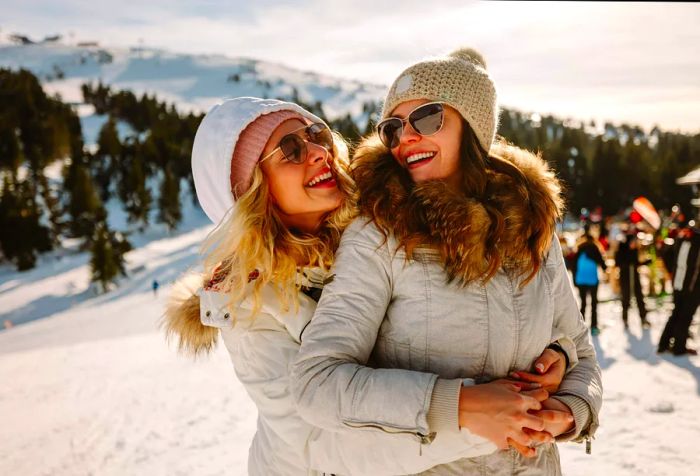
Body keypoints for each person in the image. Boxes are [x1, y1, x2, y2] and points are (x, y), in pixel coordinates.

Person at [162, 97, 572, 475]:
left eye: (316, 135)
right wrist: (472, 416)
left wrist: (552, 351)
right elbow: (322, 442)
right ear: (251, 191)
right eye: (290, 149)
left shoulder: (383, 222)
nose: (319, 151)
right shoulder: (250, 305)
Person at [292, 48, 602, 475]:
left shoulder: (531, 226)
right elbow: (317, 384)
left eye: (427, 118)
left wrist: (570, 410)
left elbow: (580, 353)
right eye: (393, 128)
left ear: (473, 125)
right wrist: (459, 404)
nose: (407, 138)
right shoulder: (380, 235)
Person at [658, 225, 700, 355]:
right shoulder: (689, 240)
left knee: (677, 313)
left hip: (680, 283)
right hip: (690, 286)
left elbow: (665, 254)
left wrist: (672, 272)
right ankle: (678, 348)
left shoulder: (681, 239)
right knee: (684, 316)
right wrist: (672, 271)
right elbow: (665, 254)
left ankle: (664, 344)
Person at [572, 234, 607, 335]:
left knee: (583, 303)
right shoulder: (595, 248)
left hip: (581, 279)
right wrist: (605, 268)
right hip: (592, 279)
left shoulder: (579, 249)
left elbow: (573, 266)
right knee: (594, 303)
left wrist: (575, 281)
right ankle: (594, 327)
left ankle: (580, 328)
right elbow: (602, 263)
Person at [615, 232, 651, 329]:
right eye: (633, 242)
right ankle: (625, 318)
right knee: (626, 298)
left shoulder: (634, 250)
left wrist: (646, 262)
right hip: (625, 277)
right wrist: (627, 263)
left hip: (634, 277)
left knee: (639, 297)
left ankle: (643, 318)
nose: (634, 244)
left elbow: (636, 263)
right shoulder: (621, 250)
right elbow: (618, 262)